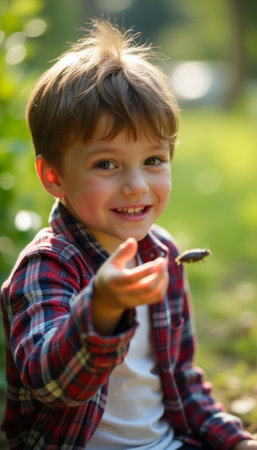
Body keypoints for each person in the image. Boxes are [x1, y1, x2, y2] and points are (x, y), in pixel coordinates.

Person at [0, 19, 256, 450]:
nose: (136, 184)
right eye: (106, 164)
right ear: (54, 176)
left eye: (154, 159)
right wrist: (100, 310)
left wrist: (233, 440)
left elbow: (181, 382)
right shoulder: (46, 266)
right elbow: (53, 385)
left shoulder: (164, 254)